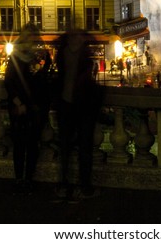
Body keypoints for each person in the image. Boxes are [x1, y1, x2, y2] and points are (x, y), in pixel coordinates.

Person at [53, 30, 104, 202]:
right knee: (84, 148)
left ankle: (64, 185)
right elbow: (86, 81)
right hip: (81, 106)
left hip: (65, 103)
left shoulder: (62, 53)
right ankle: (84, 187)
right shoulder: (84, 54)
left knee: (66, 147)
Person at [4, 24, 51, 194]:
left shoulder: (41, 56)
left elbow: (45, 78)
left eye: (32, 36)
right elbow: (9, 82)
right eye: (27, 36)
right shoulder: (16, 57)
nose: (30, 39)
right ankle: (20, 179)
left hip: (35, 107)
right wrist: (18, 103)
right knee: (20, 144)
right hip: (21, 106)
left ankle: (27, 179)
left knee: (31, 144)